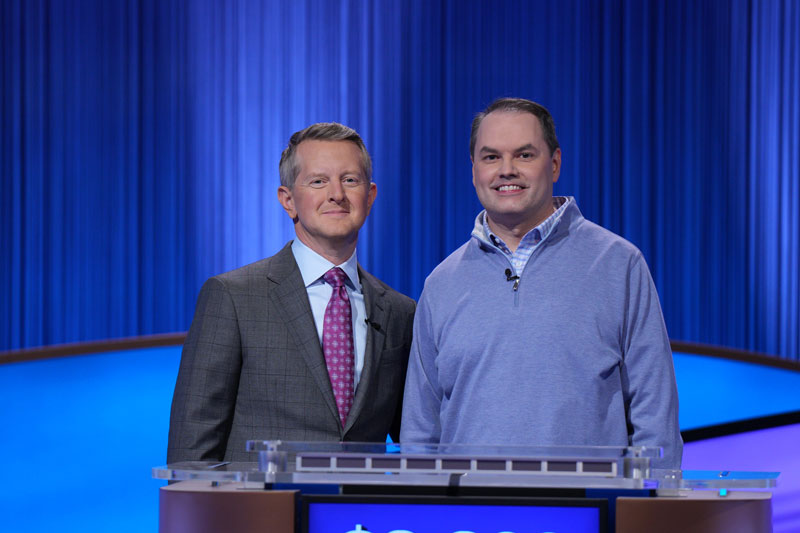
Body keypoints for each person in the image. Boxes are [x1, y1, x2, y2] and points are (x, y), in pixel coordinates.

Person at [400, 98, 682, 468]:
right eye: (490, 157)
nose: (506, 170)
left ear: (555, 163)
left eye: (524, 155)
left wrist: (647, 510)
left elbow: (655, 415)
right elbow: (420, 432)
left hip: (586, 516)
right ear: (473, 170)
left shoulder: (619, 264)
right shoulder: (441, 282)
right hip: (471, 518)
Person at [168, 122, 415, 463]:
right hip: (257, 513)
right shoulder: (233, 297)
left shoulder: (400, 313)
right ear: (288, 200)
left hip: (352, 514)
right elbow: (191, 450)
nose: (337, 194)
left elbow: (417, 438)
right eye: (318, 181)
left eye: (350, 180)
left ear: (370, 197)